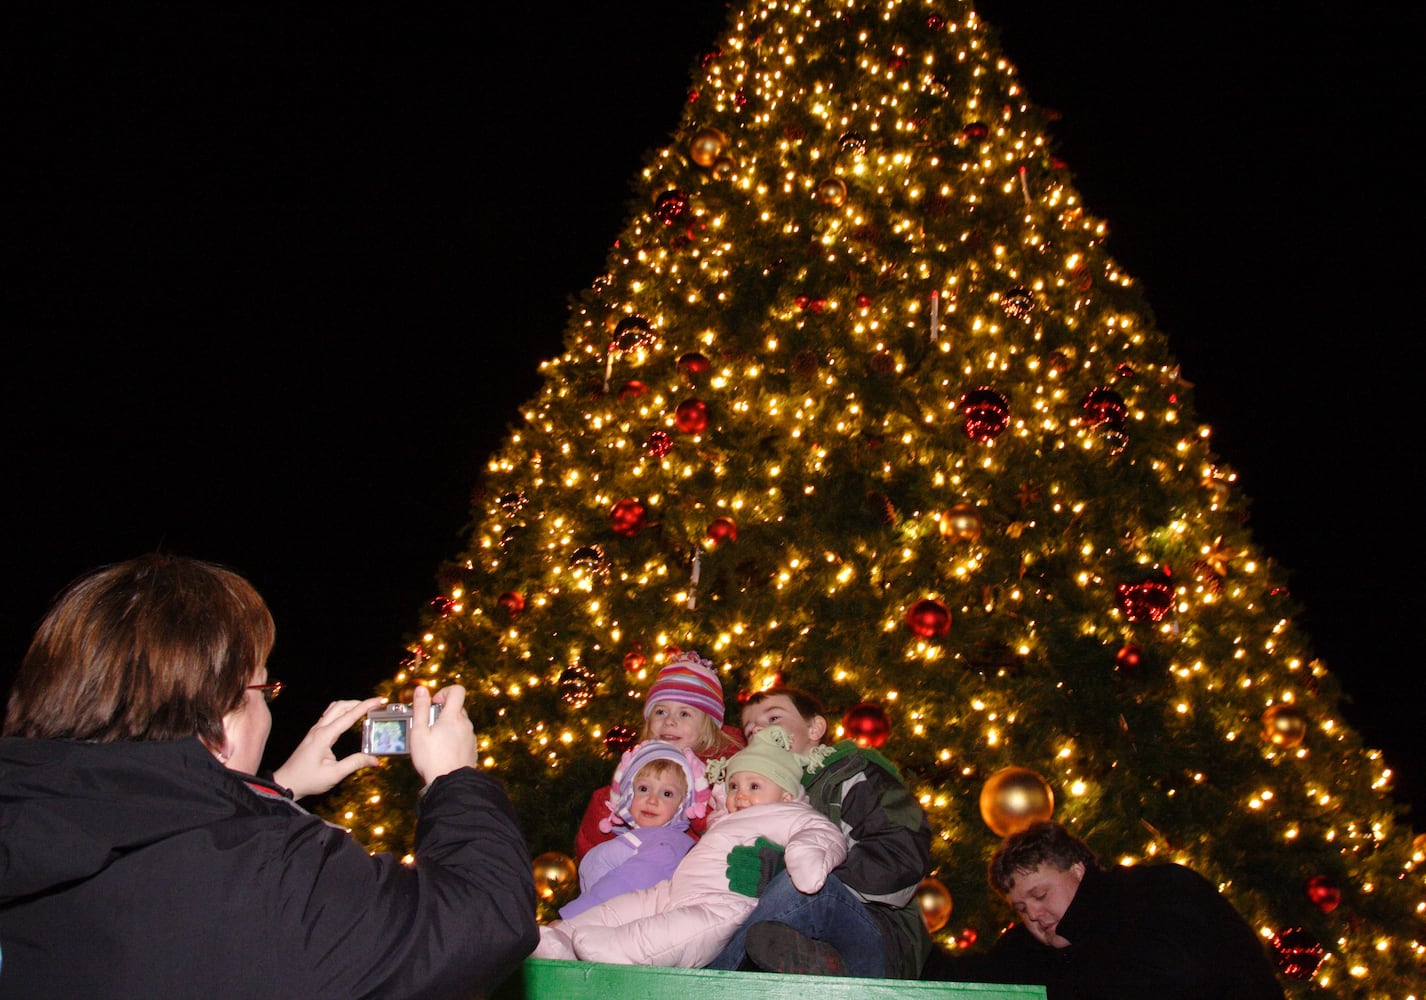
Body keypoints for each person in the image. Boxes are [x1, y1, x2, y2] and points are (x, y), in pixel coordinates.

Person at [0, 553, 539, 999]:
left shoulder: (27, 817)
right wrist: (455, 776)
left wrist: (273, 789)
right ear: (219, 718)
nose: (269, 709)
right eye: (263, 689)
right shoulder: (279, 875)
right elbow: (483, 920)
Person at [533, 726, 848, 968]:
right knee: (619, 908)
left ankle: (620, 951)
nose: (740, 794)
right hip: (673, 891)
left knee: (681, 931)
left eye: (754, 786)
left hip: (721, 902)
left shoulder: (786, 812)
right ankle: (562, 938)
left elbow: (822, 832)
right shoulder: (723, 819)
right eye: (735, 785)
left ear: (786, 796)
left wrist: (805, 856)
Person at [705, 686, 933, 980]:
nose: (760, 730)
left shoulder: (850, 774)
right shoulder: (747, 797)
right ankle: (811, 962)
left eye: (773, 718)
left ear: (815, 728)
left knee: (800, 884)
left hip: (871, 928)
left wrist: (783, 870)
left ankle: (714, 983)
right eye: (750, 731)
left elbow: (900, 857)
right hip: (779, 934)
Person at [921, 820, 1286, 999]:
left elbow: (1179, 972)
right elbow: (974, 984)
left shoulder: (1157, 891)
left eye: (1041, 894)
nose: (1032, 913)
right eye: (1020, 907)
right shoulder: (1031, 948)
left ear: (1077, 870)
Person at [573, 648, 743, 859]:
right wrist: (609, 807)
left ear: (707, 727)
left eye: (684, 713)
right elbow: (592, 856)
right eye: (660, 711)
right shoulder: (627, 777)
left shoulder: (724, 781)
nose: (669, 721)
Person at [559, 738, 709, 920]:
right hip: (602, 928)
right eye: (644, 788)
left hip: (612, 925)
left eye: (667, 793)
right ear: (628, 794)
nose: (652, 800)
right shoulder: (640, 837)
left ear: (682, 804)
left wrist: (572, 918)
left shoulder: (668, 842)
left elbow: (625, 885)